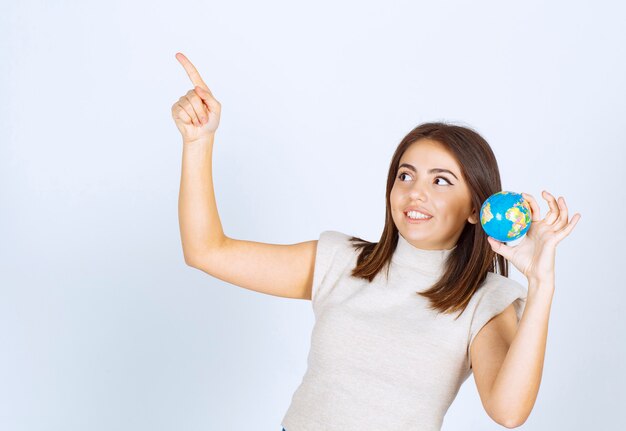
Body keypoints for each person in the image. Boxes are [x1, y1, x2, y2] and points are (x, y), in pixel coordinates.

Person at [171, 52, 581, 431]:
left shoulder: (484, 300)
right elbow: (206, 251)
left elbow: (508, 412)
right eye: (406, 175)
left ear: (476, 209)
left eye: (440, 180)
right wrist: (198, 143)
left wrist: (542, 285)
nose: (415, 191)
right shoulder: (340, 261)